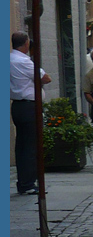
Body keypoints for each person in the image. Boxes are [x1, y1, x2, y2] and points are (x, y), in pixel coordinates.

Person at [10, 31, 51, 195]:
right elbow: (46, 78)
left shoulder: (9, 59)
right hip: (29, 106)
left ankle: (24, 181)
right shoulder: (23, 61)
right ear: (26, 43)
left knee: (22, 146)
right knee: (31, 146)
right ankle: (28, 183)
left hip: (18, 106)